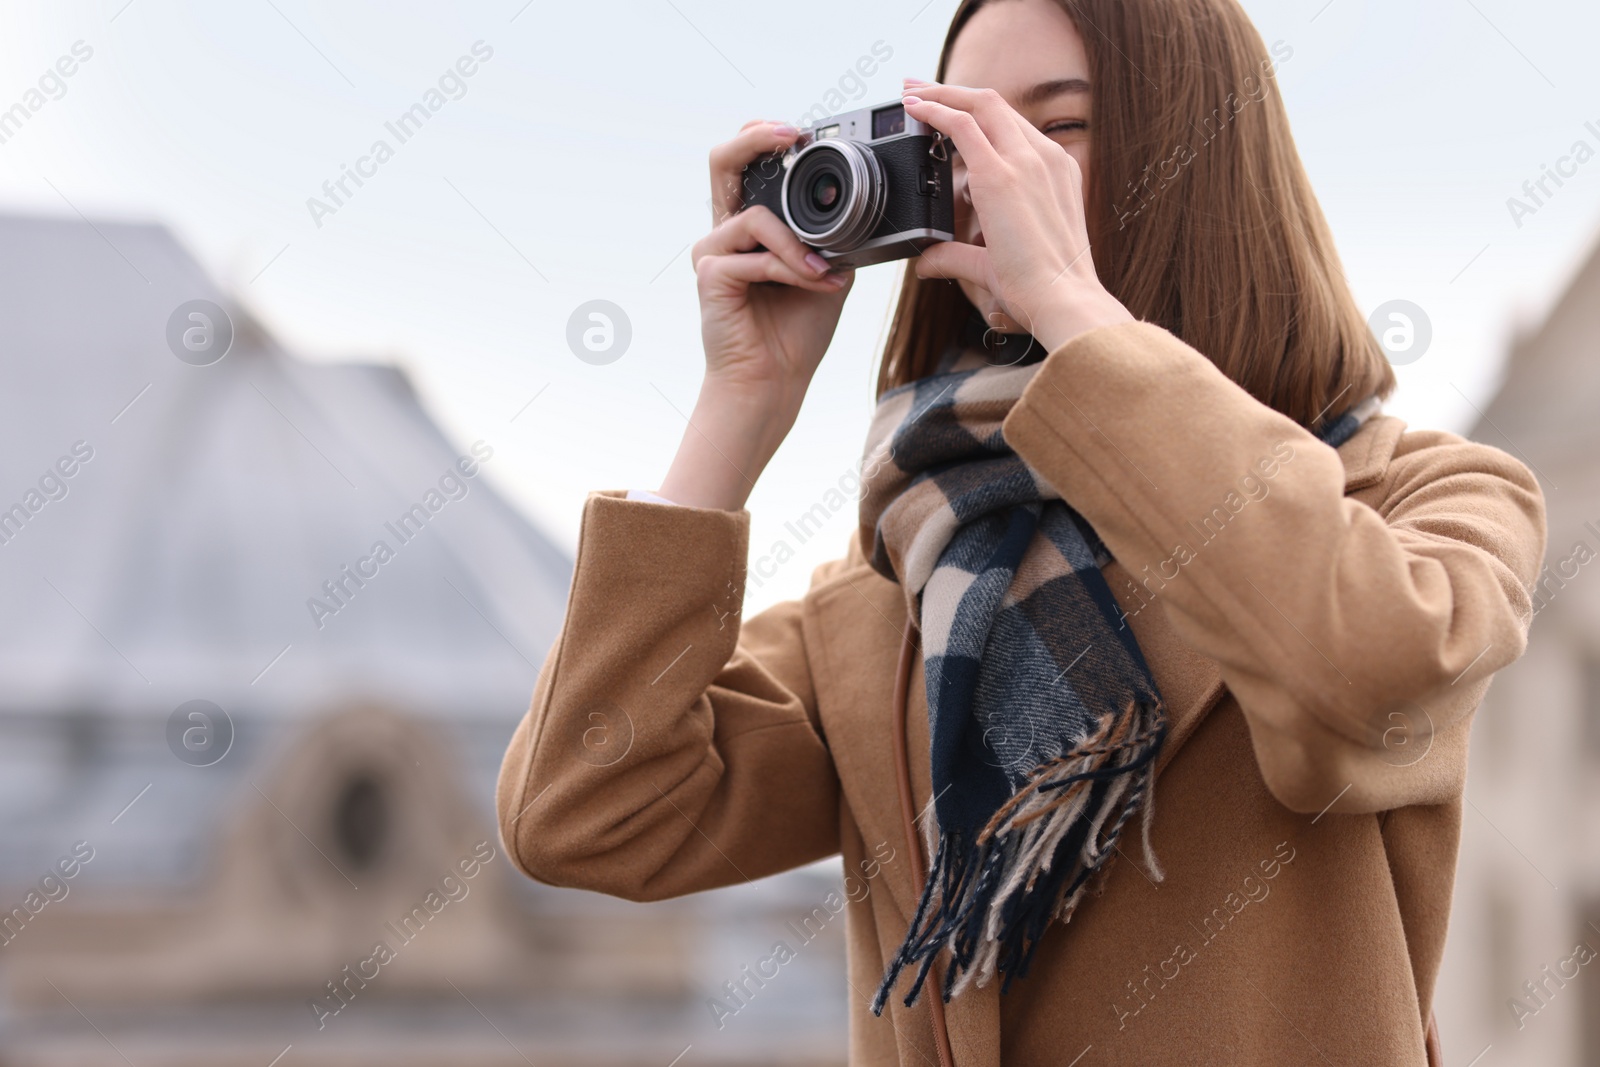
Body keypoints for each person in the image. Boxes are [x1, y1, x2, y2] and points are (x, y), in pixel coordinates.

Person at [496, 0, 1546, 1062]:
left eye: (1055, 128)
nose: (986, 176)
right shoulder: (890, 603)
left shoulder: (1423, 500)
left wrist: (1081, 319)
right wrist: (740, 405)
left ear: (1197, 158)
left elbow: (1367, 669)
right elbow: (585, 803)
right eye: (956, 138)